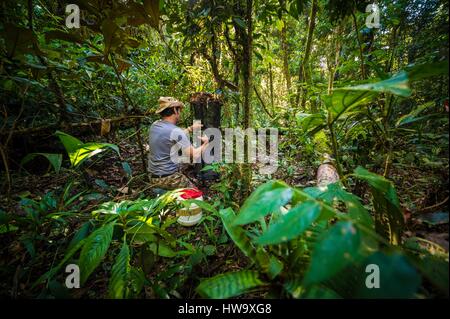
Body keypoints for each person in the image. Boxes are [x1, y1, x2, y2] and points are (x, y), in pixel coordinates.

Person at [148, 97, 209, 190]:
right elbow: (195, 155)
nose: (180, 113)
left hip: (153, 177)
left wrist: (190, 129)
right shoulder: (176, 131)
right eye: (179, 110)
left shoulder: (155, 125)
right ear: (174, 110)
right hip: (168, 178)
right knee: (196, 195)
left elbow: (170, 135)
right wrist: (206, 144)